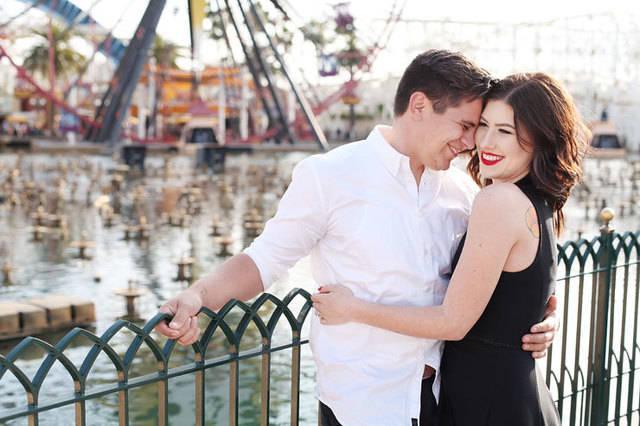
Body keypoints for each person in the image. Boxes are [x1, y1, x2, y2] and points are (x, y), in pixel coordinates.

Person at [155, 50, 557, 426]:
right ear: (418, 106)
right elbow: (263, 260)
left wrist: (540, 319)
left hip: (440, 400)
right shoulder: (330, 176)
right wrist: (198, 296)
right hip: (363, 405)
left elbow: (499, 278)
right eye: (467, 126)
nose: (472, 142)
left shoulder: (463, 191)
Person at [312, 72, 588, 425]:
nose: (486, 142)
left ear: (540, 138)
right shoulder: (538, 202)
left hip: (487, 399)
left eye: (505, 131)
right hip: (516, 392)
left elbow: (452, 322)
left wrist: (352, 308)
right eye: (483, 125)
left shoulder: (498, 200)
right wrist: (548, 318)